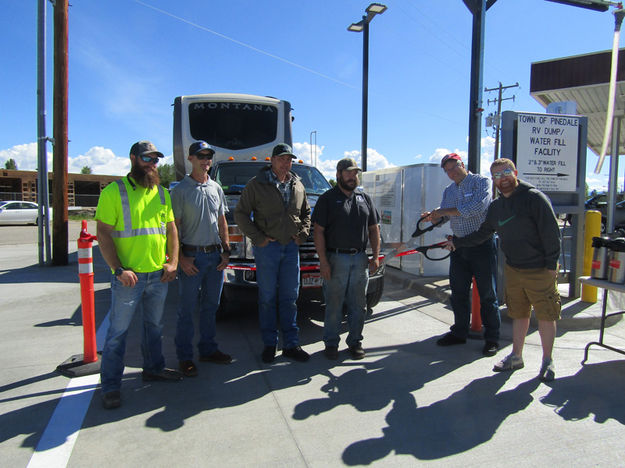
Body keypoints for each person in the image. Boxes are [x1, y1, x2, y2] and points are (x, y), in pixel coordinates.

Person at [445, 158, 561, 382]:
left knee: (546, 315)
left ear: (515, 172)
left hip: (539, 269)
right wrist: (457, 243)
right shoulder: (497, 207)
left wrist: (550, 266)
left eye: (506, 172)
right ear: (493, 179)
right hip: (514, 268)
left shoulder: (534, 198)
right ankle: (516, 356)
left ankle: (548, 361)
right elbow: (484, 232)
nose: (502, 178)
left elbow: (551, 233)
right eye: (497, 175)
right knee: (519, 313)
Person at [96, 140, 181, 409]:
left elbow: (171, 230)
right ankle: (110, 386)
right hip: (127, 279)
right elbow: (103, 233)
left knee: (154, 328)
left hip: (158, 275)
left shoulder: (162, 193)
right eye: (147, 159)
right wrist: (119, 270)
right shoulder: (114, 192)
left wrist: (173, 262)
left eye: (155, 160)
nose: (152, 164)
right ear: (133, 158)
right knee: (118, 333)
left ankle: (154, 368)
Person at [234, 143, 311, 364]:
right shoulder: (257, 184)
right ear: (272, 160)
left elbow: (306, 212)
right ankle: (269, 344)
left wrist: (303, 233)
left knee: (290, 298)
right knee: (267, 298)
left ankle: (291, 344)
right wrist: (258, 238)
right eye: (282, 159)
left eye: (289, 160)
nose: (286, 163)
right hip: (267, 249)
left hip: (291, 249)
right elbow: (240, 214)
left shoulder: (298, 184)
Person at [422, 153, 500, 356]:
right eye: (447, 170)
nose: (451, 172)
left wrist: (443, 211)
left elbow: (476, 208)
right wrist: (433, 218)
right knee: (458, 292)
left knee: (487, 294)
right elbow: (446, 217)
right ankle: (459, 332)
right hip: (458, 246)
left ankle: (492, 337)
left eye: (454, 167)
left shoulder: (480, 182)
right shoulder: (449, 190)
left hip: (481, 245)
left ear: (462, 164)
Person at [170, 141, 232, 378]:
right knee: (186, 310)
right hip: (191, 258)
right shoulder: (180, 191)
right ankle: (185, 357)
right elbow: (173, 227)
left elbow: (222, 221)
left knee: (211, 307)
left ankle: (208, 349)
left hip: (215, 257)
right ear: (190, 159)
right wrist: (180, 258)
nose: (205, 160)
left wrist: (226, 251)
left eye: (208, 157)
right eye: (201, 156)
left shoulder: (216, 188)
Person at [312, 158, 380, 360]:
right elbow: (318, 232)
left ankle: (355, 341)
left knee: (359, 305)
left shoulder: (365, 198)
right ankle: (331, 343)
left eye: (355, 173)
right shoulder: (327, 199)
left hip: (360, 259)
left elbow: (374, 229)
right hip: (335, 259)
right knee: (333, 304)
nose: (353, 176)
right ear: (338, 174)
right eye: (349, 172)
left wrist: (375, 257)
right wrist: (323, 261)